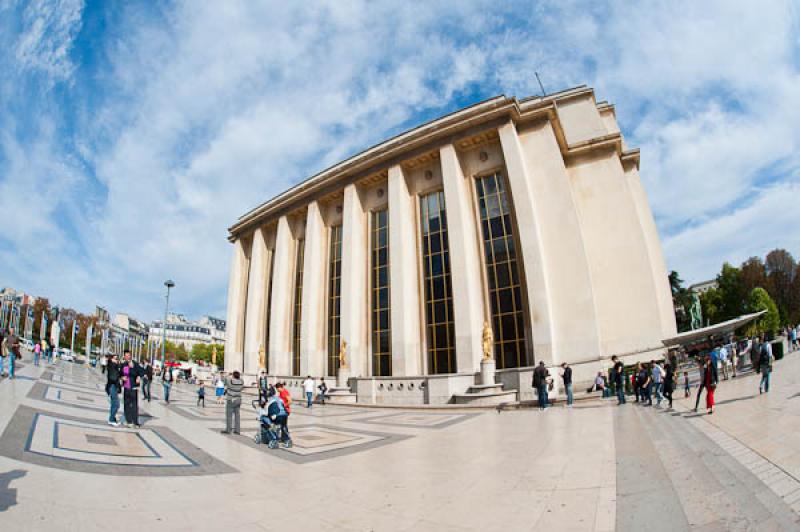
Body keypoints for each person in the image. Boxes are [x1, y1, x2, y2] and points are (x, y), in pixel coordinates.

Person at [121, 350, 143, 427]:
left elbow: (142, 371)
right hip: (126, 387)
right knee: (126, 404)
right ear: (124, 356)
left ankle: (135, 421)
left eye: (129, 355)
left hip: (133, 387)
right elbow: (120, 373)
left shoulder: (135, 364)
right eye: (126, 356)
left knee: (134, 405)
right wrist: (121, 377)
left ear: (131, 356)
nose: (128, 357)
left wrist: (139, 376)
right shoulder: (123, 365)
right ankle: (129, 421)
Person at [221, 371, 244, 435]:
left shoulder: (230, 381)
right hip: (238, 399)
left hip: (231, 399)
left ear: (233, 376)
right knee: (237, 415)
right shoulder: (242, 381)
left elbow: (223, 380)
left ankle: (228, 430)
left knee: (229, 415)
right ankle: (237, 430)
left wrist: (227, 375)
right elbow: (242, 387)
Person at [105, 353, 122, 426]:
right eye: (115, 359)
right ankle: (111, 419)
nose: (116, 360)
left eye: (117, 359)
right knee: (117, 404)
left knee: (113, 403)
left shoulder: (114, 366)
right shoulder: (112, 366)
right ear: (111, 359)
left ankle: (112, 418)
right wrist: (120, 377)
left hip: (113, 386)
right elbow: (113, 377)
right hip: (112, 386)